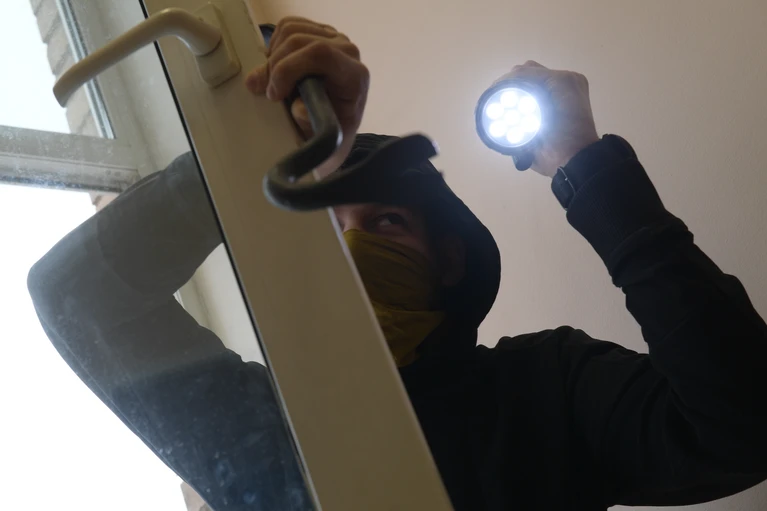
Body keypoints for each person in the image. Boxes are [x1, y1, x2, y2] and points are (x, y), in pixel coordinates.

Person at [28, 16, 767, 511]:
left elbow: (741, 426)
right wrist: (251, 151)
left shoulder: (545, 385)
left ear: (449, 260)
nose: (351, 250)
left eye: (382, 222)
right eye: (327, 234)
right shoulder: (264, 425)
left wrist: (587, 165)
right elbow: (77, 296)